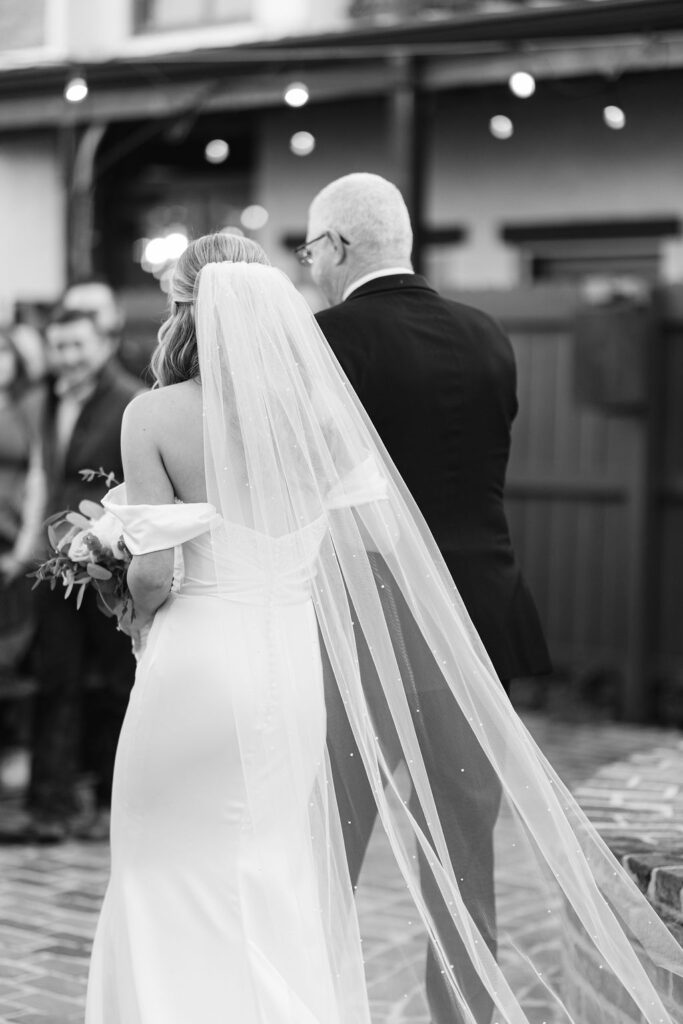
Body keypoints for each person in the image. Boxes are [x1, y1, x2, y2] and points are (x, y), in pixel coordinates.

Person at [84, 232, 680, 1024]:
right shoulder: (318, 423)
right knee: (270, 862)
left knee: (164, 860)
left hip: (197, 666)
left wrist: (114, 573)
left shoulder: (154, 413)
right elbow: (371, 537)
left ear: (185, 310)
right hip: (289, 667)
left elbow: (155, 576)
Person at [302, 171, 551, 1023]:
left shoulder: (330, 337)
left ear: (337, 246)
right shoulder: (489, 336)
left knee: (328, 842)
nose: (308, 267)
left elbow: (305, 485)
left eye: (309, 248)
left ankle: (306, 1001)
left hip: (369, 617)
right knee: (462, 849)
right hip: (480, 614)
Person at [25, 306, 141, 842]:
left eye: (77, 344)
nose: (67, 356)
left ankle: (109, 804)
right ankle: (51, 804)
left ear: (103, 343)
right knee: (57, 681)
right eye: (59, 345)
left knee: (117, 685)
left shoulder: (130, 402)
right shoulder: (48, 400)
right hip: (52, 567)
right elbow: (45, 474)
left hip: (108, 566)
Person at [0, 328, 46, 784]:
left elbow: (39, 479)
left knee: (12, 656)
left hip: (12, 543)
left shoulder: (28, 410)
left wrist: (23, 547)